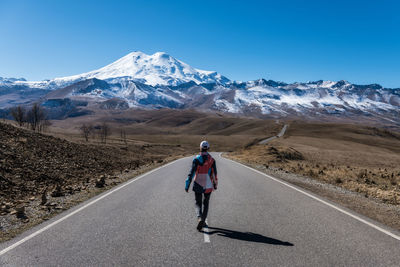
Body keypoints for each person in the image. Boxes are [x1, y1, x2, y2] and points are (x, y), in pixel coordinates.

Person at [185, 140, 218, 231]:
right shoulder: (212, 160)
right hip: (208, 184)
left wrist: (187, 184)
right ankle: (203, 220)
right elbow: (215, 174)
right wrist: (215, 184)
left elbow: (191, 173)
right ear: (208, 148)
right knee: (206, 203)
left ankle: (199, 217)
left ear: (200, 148)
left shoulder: (196, 159)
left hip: (198, 183)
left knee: (198, 202)